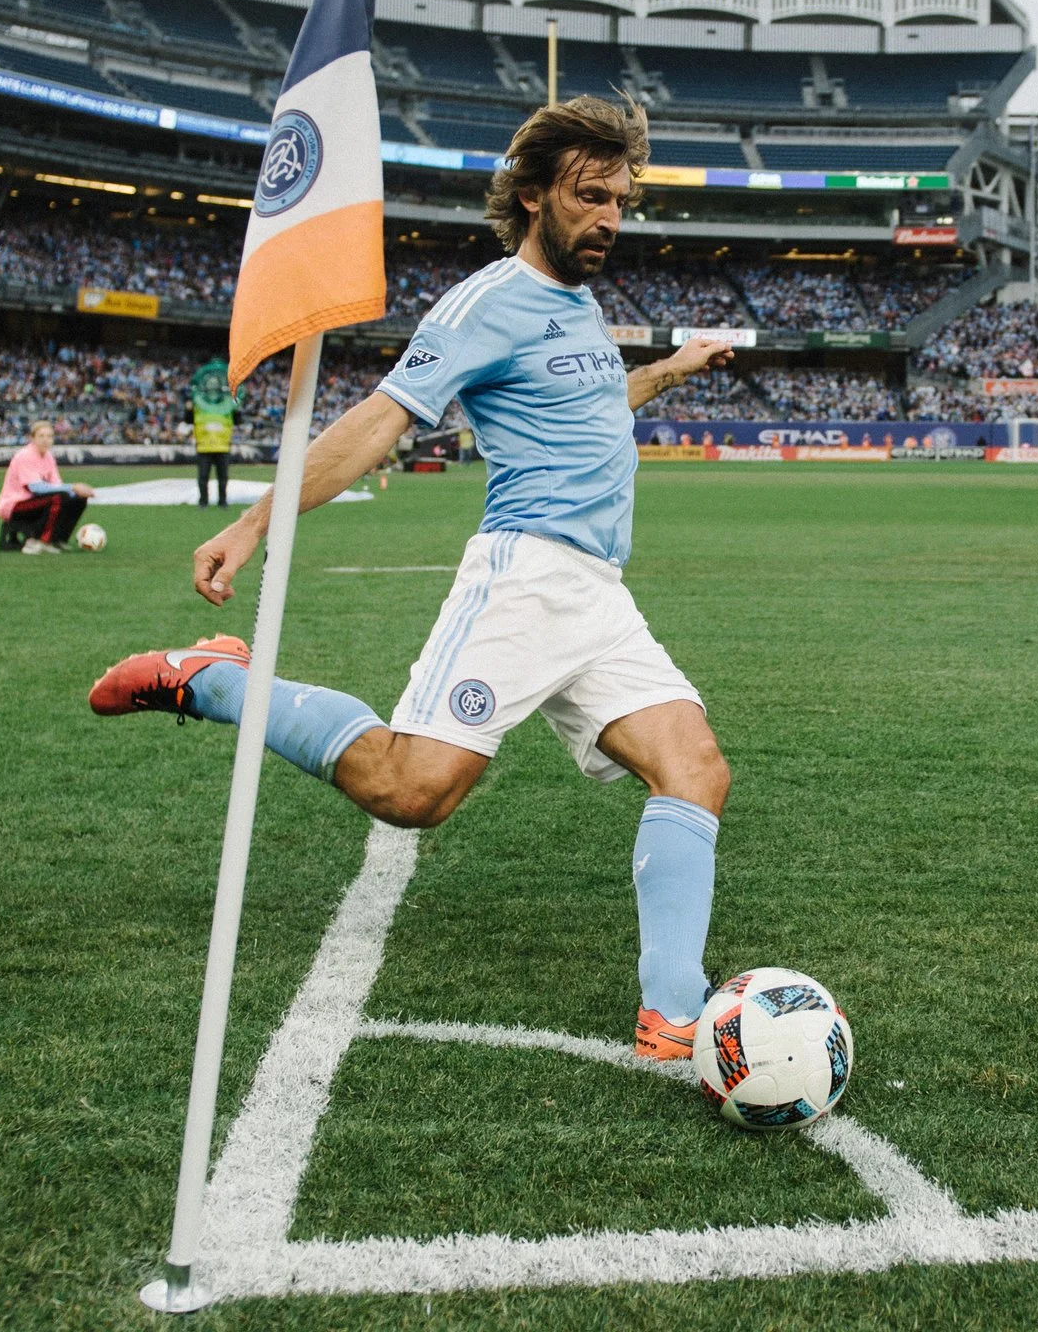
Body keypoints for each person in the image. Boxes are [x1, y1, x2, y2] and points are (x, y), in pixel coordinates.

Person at [87, 95, 738, 1065]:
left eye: (620, 198)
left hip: (597, 593)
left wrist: (669, 371)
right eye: (589, 195)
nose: (609, 217)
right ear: (531, 197)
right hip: (525, 576)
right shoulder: (487, 301)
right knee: (411, 789)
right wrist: (258, 520)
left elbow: (595, 400)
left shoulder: (578, 304)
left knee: (694, 768)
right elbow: (383, 418)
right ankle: (213, 677)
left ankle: (673, 1015)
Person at [0, 420, 95, 552]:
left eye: (49, 436)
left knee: (78, 499)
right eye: (41, 436)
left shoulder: (48, 457)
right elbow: (36, 488)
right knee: (59, 498)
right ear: (33, 438)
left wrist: (79, 492)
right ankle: (38, 541)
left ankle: (58, 539)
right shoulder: (25, 456)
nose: (45, 440)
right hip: (14, 505)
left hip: (33, 502)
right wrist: (73, 487)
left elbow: (57, 485)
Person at [189, 360, 237, 508]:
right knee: (203, 477)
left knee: (223, 478)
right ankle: (203, 501)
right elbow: (187, 418)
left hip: (222, 447)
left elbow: (237, 418)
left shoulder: (228, 405)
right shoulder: (198, 404)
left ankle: (222, 501)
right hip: (204, 447)